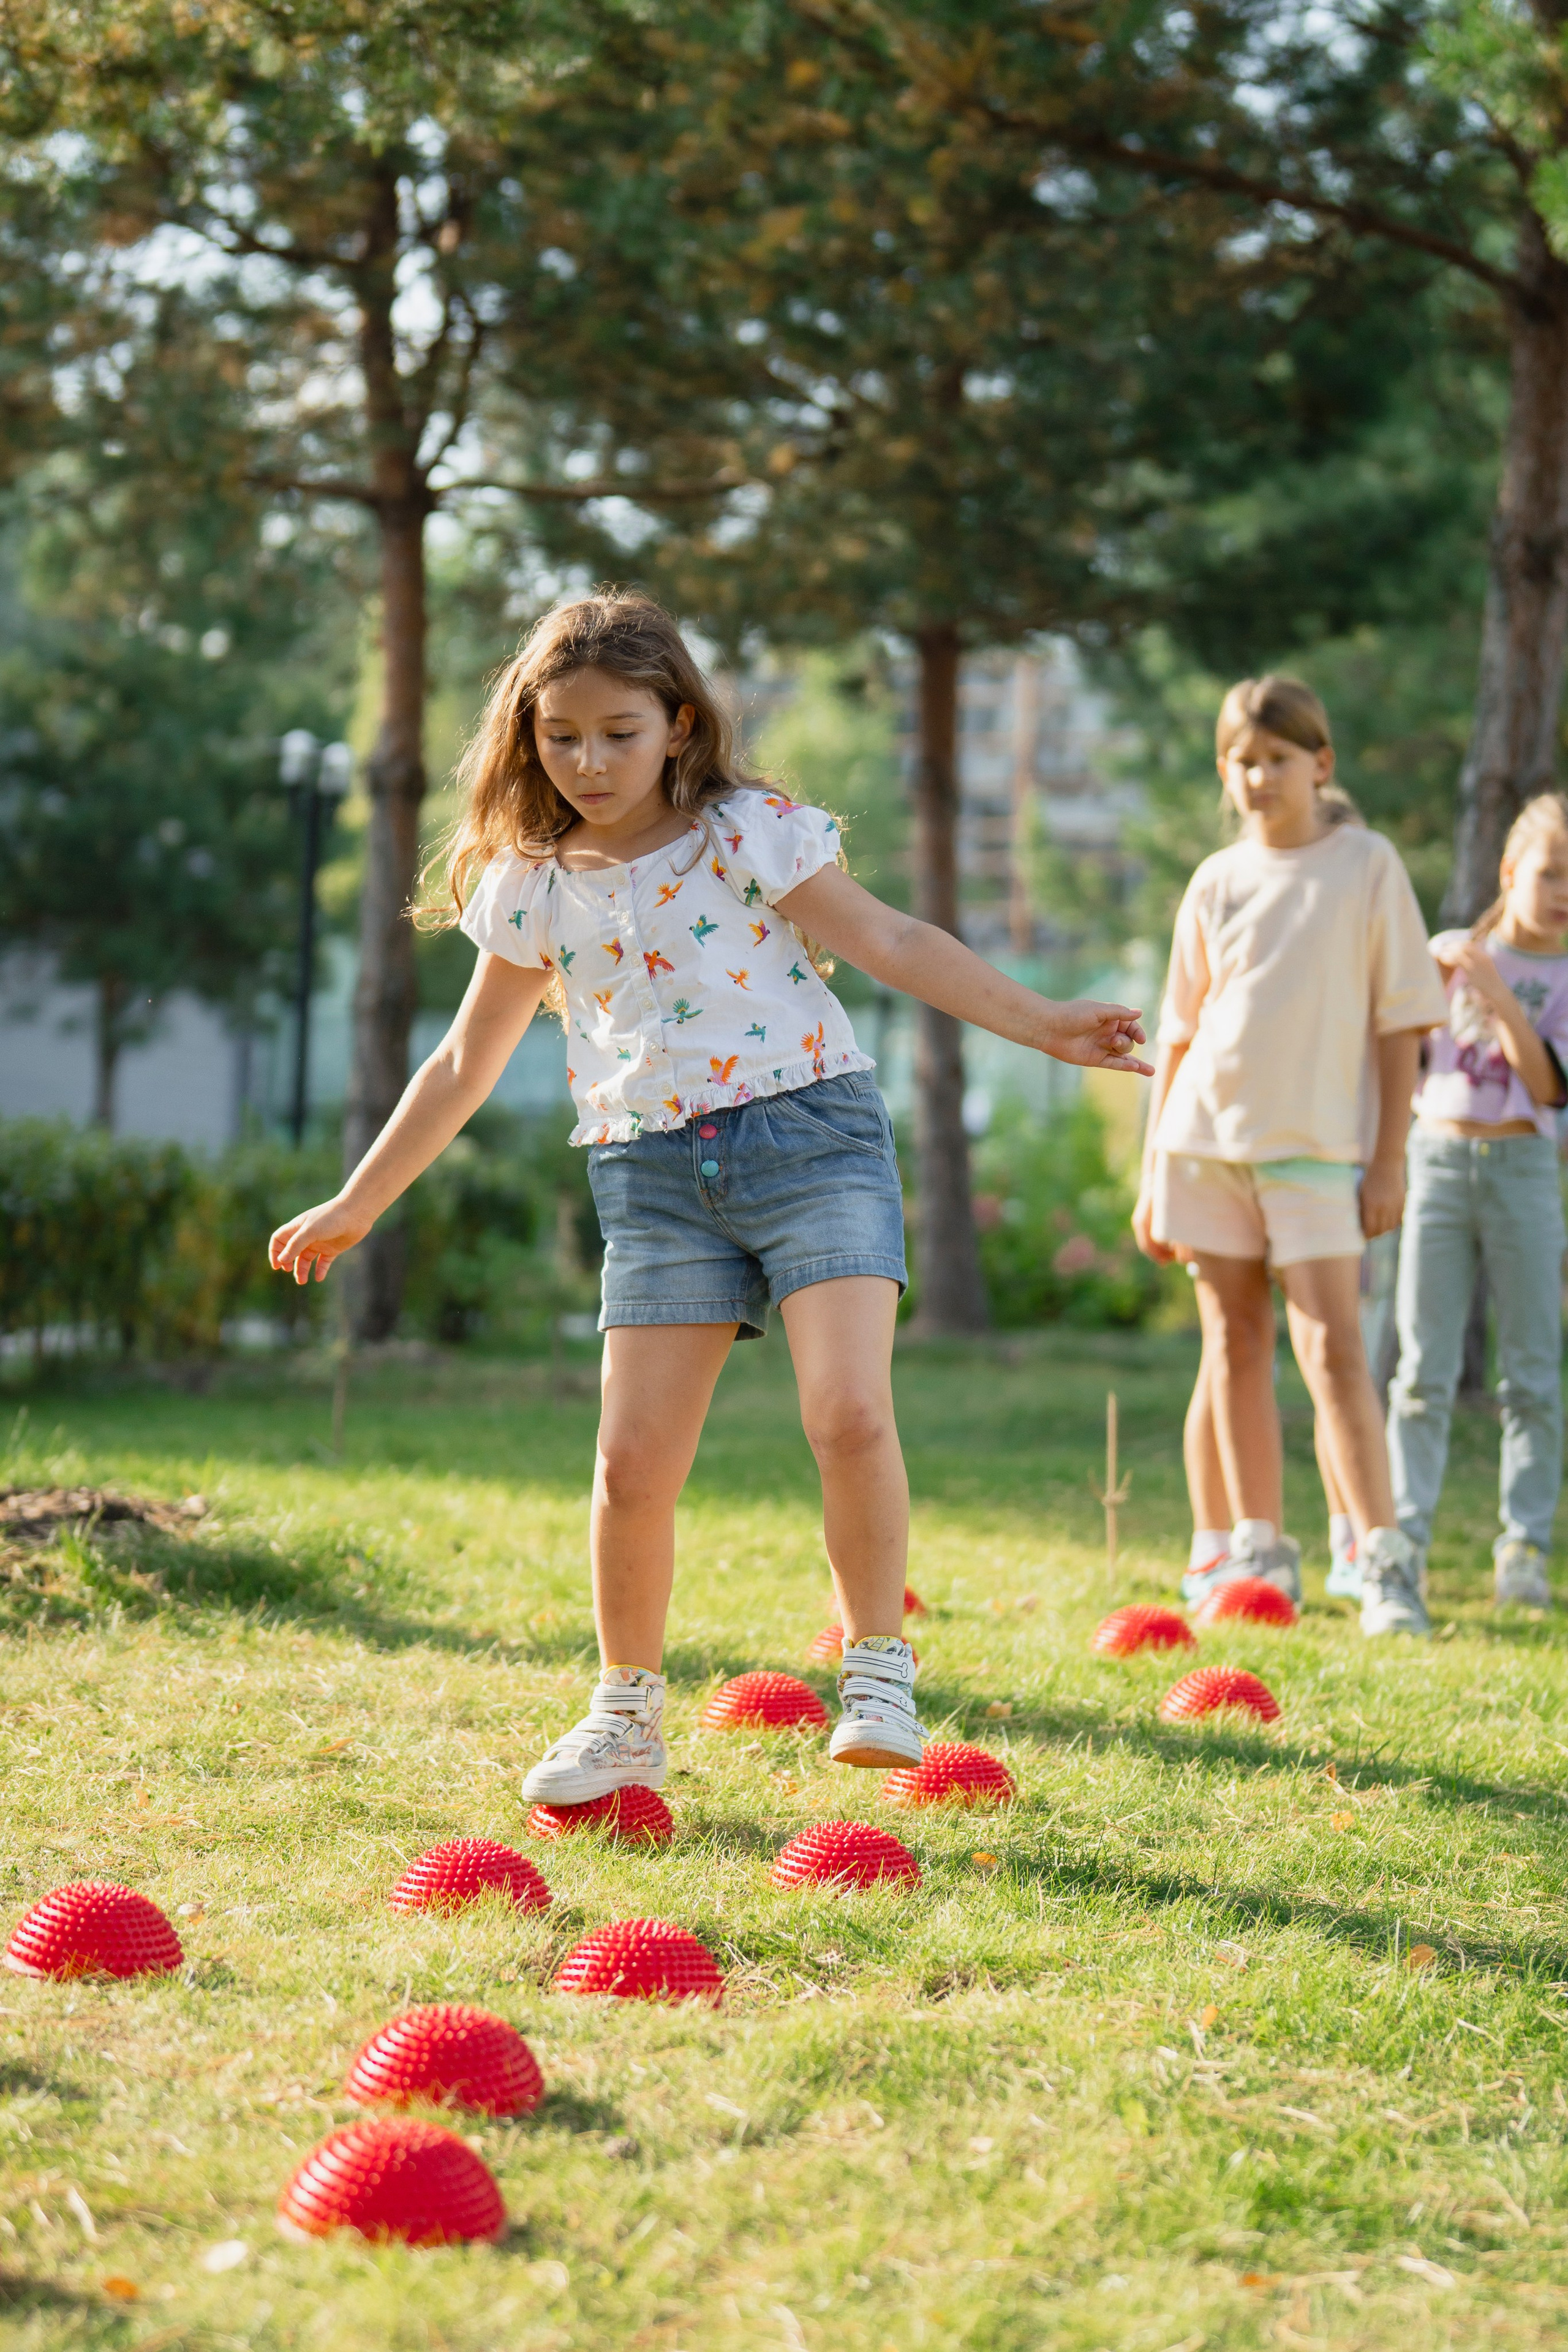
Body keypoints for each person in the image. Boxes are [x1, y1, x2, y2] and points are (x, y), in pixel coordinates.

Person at [269, 590, 1152, 1800]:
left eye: (618, 733)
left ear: (678, 725)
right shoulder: (531, 884)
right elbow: (463, 1060)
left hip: (812, 1141)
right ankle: (624, 1714)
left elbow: (892, 943)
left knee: (847, 1413)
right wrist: (359, 1200)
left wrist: (1045, 1023)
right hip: (650, 1175)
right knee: (630, 1465)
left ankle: (877, 1670)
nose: (588, 761)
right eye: (561, 736)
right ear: (528, 734)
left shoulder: (746, 833)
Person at [1133, 674, 1447, 1637]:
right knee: (1234, 1345)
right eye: (1242, 761)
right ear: (1224, 772)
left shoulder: (1368, 865)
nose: (1260, 777)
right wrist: (1153, 1170)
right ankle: (1260, 1555)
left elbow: (1402, 1024)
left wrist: (1388, 1160)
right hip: (1202, 1146)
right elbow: (1178, 1034)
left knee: (1335, 1351)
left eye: (1277, 759)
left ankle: (1384, 1562)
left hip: (1316, 1154)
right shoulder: (1215, 880)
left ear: (1321, 763)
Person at [1386, 793, 1568, 1610]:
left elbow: (1548, 1086)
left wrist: (1493, 987)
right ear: (1510, 871)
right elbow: (1403, 1054)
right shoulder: (1451, 954)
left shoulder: (1549, 974)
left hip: (1524, 1168)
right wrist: (1428, 982)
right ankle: (1405, 1543)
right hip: (1438, 1161)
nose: (1563, 892)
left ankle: (1523, 1548)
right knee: (1421, 1371)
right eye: (1551, 872)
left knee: (1530, 1371)